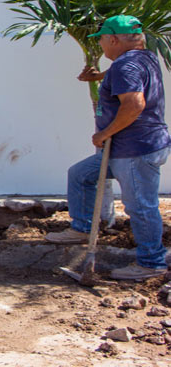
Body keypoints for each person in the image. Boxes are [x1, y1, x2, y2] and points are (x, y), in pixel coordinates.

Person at [45, 15, 171, 280]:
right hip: (131, 147)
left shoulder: (126, 66)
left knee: (139, 206)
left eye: (102, 39)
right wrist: (100, 75)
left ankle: (151, 262)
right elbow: (129, 77)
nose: (101, 45)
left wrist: (105, 132)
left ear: (113, 39)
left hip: (134, 149)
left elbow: (134, 104)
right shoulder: (143, 58)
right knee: (80, 174)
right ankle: (81, 228)